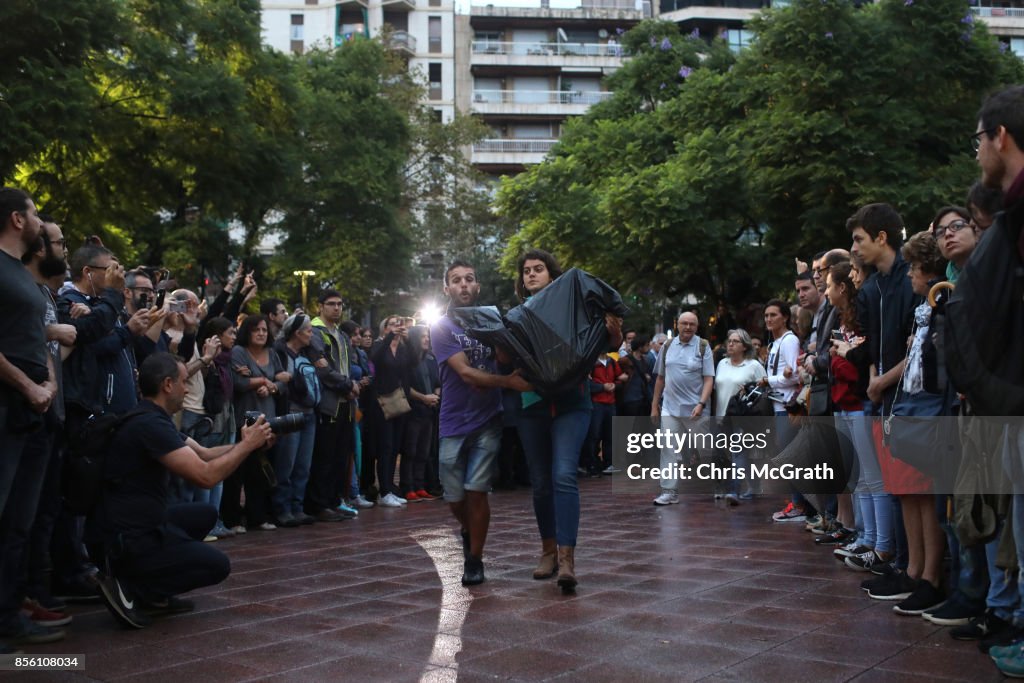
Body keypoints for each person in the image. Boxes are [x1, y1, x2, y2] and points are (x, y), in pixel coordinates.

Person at [93, 353, 272, 629]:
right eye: (183, 382)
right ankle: (132, 587)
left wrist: (250, 443)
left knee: (204, 514)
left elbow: (206, 454)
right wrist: (246, 447)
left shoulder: (151, 417)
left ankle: (154, 592)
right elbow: (205, 476)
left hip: (134, 523)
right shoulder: (150, 425)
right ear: (167, 385)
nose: (186, 389)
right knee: (216, 565)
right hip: (126, 537)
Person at [513, 248, 621, 592]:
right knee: (541, 481)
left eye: (538, 269)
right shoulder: (516, 315)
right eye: (526, 270)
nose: (531, 274)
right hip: (533, 404)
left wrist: (614, 329)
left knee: (563, 475)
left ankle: (567, 558)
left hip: (574, 402)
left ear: (552, 275)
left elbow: (610, 341)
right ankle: (547, 551)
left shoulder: (576, 308)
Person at [431, 260, 531, 585]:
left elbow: (503, 360)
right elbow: (465, 372)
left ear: (477, 287)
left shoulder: (490, 321)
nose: (463, 285)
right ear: (446, 289)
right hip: (452, 420)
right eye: (456, 280)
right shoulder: (443, 327)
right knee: (454, 496)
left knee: (477, 492)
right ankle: (467, 528)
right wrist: (507, 383)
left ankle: (474, 559)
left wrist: (503, 340)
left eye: (469, 279)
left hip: (489, 418)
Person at [0, 188, 63, 649]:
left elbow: (32, 332)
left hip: (36, 407)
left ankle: (10, 613)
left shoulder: (22, 276)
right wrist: (27, 385)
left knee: (21, 519)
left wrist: (49, 384)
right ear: (17, 220)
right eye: (35, 212)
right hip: (10, 405)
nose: (40, 220)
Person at [224, 314, 287, 532]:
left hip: (267, 416)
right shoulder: (238, 352)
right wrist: (261, 380)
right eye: (256, 330)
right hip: (245, 418)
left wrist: (272, 386)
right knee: (238, 470)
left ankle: (257, 517)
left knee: (260, 469)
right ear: (247, 332)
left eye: (264, 330)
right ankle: (232, 519)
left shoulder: (272, 353)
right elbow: (238, 383)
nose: (261, 333)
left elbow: (283, 379)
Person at [649, 310, 713, 507]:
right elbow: (660, 378)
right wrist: (654, 406)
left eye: (691, 324)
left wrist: (701, 404)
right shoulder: (667, 346)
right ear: (678, 325)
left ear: (697, 326)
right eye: (684, 323)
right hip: (670, 408)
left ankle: (721, 484)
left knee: (706, 450)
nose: (687, 327)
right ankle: (669, 491)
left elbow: (709, 378)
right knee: (668, 449)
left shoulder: (703, 346)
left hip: (696, 409)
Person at [271, 314, 319, 527]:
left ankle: (297, 507)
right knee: (286, 464)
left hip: (310, 413)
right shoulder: (280, 353)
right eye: (308, 330)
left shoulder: (309, 353)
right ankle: (282, 509)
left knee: (303, 465)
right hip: (290, 413)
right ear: (297, 333)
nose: (311, 334)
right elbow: (278, 380)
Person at [758, 300, 803, 521]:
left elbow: (794, 376)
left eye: (773, 315)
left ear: (784, 317)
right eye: (766, 315)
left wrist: (769, 380)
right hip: (779, 406)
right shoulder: (775, 343)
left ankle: (800, 506)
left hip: (789, 407)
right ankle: (797, 503)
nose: (768, 319)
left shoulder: (789, 340)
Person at [713, 329, 766, 504]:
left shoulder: (754, 365)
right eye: (729, 341)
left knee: (738, 452)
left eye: (735, 341)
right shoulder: (722, 364)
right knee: (724, 453)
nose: (730, 344)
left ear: (744, 346)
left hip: (743, 416)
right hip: (722, 416)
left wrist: (750, 390)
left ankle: (734, 490)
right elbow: (716, 389)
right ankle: (755, 486)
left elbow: (765, 389)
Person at [401, 325, 440, 502]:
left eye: (428, 336)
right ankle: (407, 487)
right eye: (423, 336)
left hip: (429, 411)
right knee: (410, 450)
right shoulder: (407, 360)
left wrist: (435, 397)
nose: (427, 339)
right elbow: (405, 387)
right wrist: (424, 397)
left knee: (424, 451)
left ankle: (420, 486)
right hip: (413, 411)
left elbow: (438, 382)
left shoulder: (431, 358)